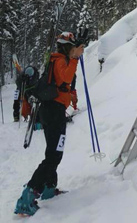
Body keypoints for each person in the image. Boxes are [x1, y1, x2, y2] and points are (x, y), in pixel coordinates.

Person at [15, 31, 85, 216]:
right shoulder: (60, 61)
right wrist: (76, 59)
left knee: (54, 152)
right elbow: (67, 78)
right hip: (53, 112)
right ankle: (28, 194)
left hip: (51, 110)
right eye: (73, 47)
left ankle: (48, 187)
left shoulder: (57, 59)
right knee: (54, 155)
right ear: (67, 47)